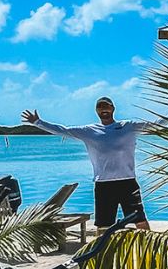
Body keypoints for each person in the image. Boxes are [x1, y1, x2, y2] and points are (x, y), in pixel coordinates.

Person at [22, 97, 155, 231]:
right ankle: (102, 251)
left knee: (140, 221)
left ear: (113, 108)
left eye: (107, 106)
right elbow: (63, 130)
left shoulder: (128, 126)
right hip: (104, 184)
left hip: (127, 182)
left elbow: (155, 125)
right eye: (100, 107)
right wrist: (38, 122)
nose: (104, 109)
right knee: (103, 225)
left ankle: (150, 250)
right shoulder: (89, 131)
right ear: (97, 111)